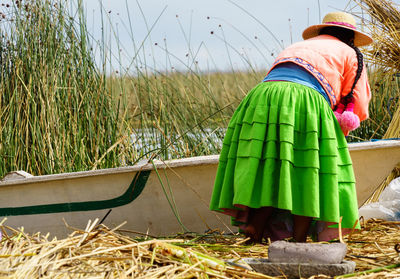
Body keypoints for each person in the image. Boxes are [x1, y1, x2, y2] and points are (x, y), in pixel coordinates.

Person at [209, 11, 373, 243]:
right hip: (305, 99)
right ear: (351, 38)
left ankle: (255, 228)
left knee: (273, 166)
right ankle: (298, 241)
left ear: (323, 31)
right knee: (308, 170)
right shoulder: (351, 53)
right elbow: (358, 105)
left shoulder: (298, 46)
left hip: (261, 97)